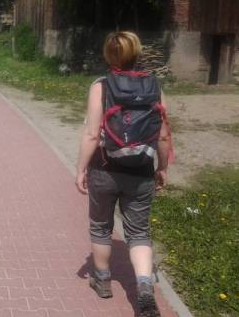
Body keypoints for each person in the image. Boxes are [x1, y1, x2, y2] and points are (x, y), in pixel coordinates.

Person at [75, 31, 172, 317]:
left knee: (100, 226)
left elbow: (92, 134)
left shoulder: (101, 86)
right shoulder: (154, 86)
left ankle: (102, 281)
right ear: (137, 52)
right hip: (141, 170)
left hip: (104, 169)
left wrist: (81, 168)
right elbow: (163, 135)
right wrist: (162, 167)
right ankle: (144, 287)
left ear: (108, 55)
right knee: (139, 232)